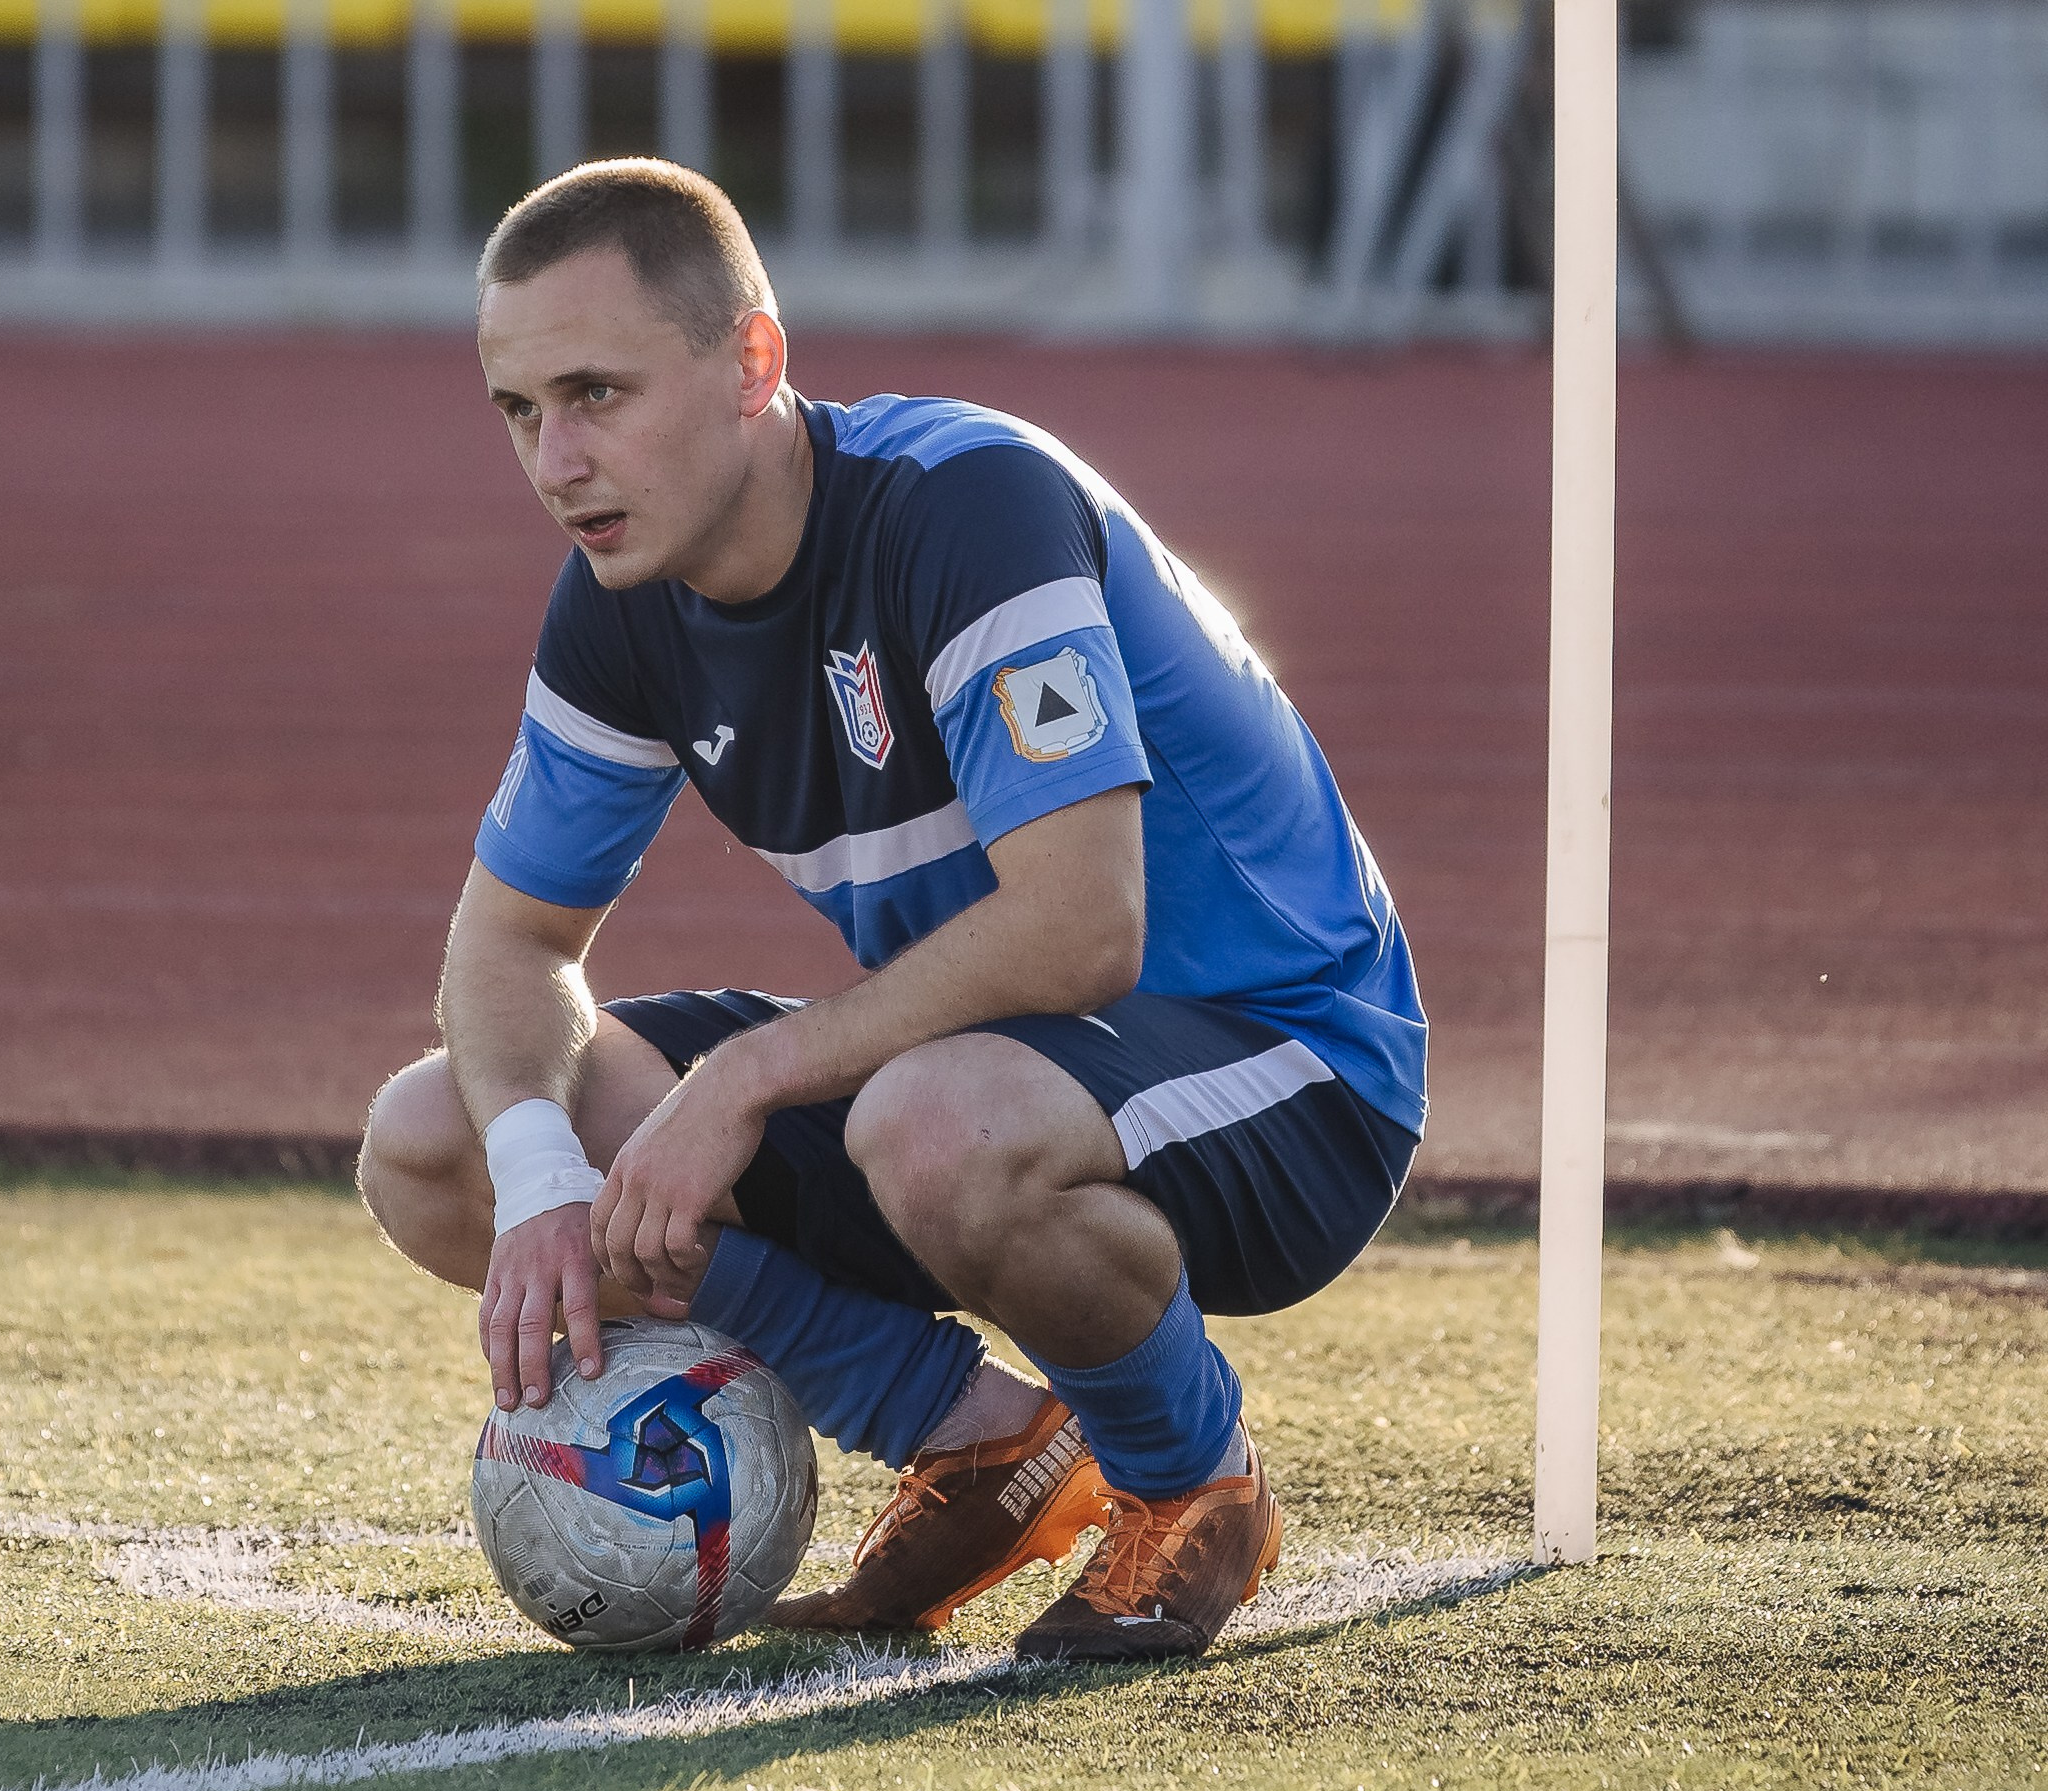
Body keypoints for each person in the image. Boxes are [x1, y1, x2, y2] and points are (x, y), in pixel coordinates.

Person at [360, 158, 1426, 1661]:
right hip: (983, 1077)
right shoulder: (618, 600)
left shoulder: (964, 506)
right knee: (436, 1144)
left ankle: (1192, 1479)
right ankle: (978, 1437)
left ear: (754, 362)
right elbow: (507, 945)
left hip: (1296, 1068)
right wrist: (541, 1182)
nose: (557, 459)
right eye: (519, 411)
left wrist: (748, 1076)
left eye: (596, 394)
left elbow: (1083, 929)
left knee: (933, 1123)